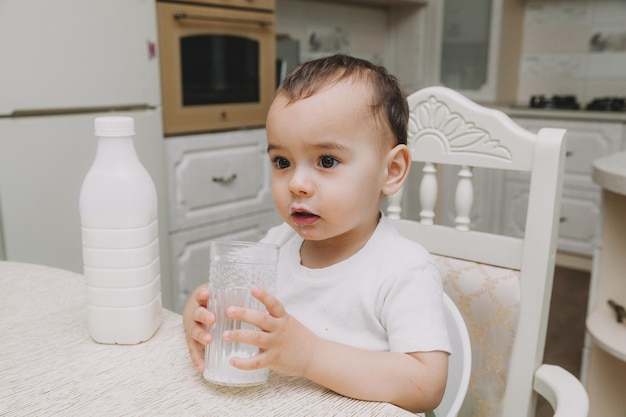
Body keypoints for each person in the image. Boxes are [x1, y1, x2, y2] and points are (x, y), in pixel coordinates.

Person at [182, 54, 450, 414]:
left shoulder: (404, 269)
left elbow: (426, 385)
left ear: (392, 171)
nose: (297, 184)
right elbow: (234, 309)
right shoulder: (277, 243)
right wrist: (200, 315)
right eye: (282, 162)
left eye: (326, 161)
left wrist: (309, 356)